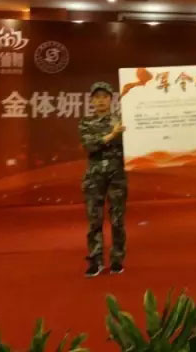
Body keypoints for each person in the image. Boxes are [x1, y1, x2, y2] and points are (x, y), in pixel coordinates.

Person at [78, 82, 127, 278]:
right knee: (94, 220)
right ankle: (95, 261)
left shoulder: (121, 120)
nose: (100, 101)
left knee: (117, 220)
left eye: (104, 97)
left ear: (111, 99)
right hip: (94, 176)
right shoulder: (86, 122)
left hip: (117, 175)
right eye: (96, 97)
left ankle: (117, 260)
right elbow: (89, 145)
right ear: (91, 100)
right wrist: (112, 135)